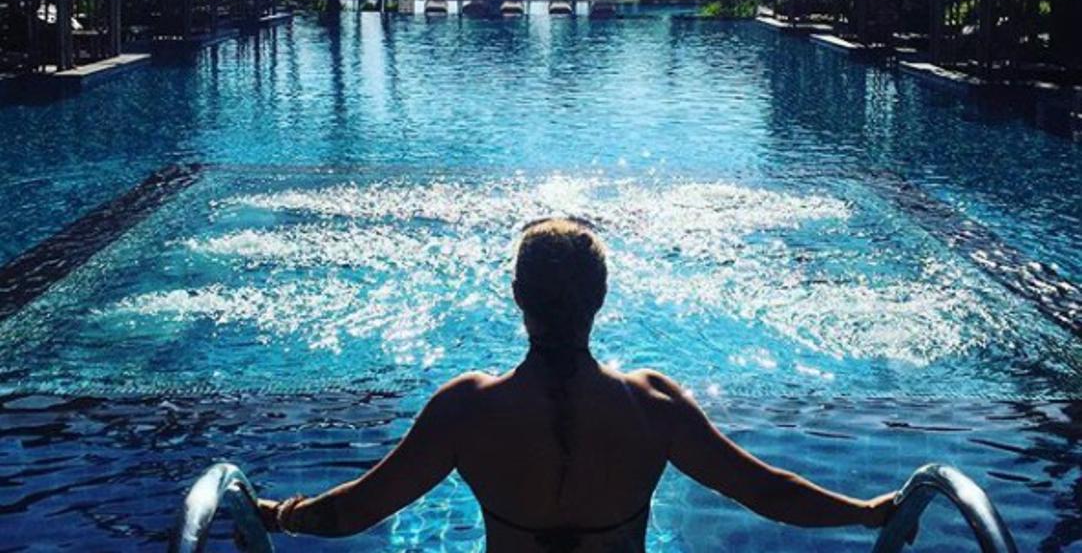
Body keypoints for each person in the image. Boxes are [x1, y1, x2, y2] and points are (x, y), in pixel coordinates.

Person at [257, 217, 897, 549]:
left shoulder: (465, 411)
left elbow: (353, 512)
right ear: (602, 297)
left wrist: (276, 516)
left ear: (517, 296)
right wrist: (866, 513)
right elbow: (769, 493)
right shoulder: (653, 405)